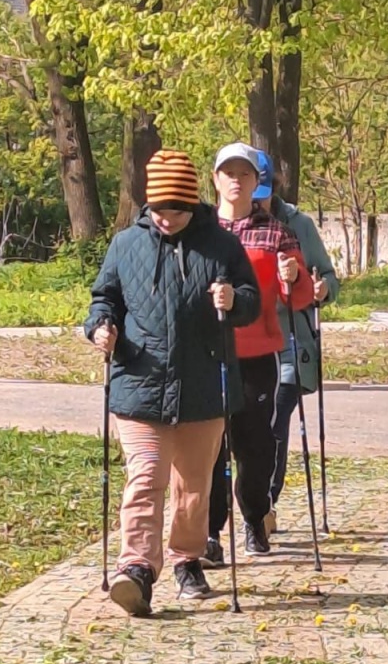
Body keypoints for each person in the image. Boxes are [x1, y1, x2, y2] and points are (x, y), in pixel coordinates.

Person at [85, 148, 260, 617]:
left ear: (191, 204)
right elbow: (104, 298)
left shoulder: (221, 245)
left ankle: (187, 560)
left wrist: (233, 298)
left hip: (204, 385)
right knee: (145, 478)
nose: (166, 218)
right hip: (139, 383)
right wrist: (101, 326)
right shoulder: (125, 245)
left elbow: (252, 301)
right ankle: (137, 569)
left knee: (193, 486)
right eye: (159, 209)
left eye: (176, 210)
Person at [203, 142, 314, 564]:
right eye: (228, 172)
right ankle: (210, 532)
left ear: (256, 182)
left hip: (257, 354)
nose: (236, 180)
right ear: (215, 179)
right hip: (209, 355)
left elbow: (299, 297)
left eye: (244, 174)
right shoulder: (201, 233)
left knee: (255, 446)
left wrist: (295, 274)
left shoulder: (275, 231)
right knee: (209, 447)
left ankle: (253, 516)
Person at [252, 151, 339, 529]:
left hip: (289, 340)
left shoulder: (298, 225)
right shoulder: (221, 226)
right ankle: (249, 502)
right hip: (244, 340)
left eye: (263, 193)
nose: (257, 203)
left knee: (274, 421)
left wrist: (320, 288)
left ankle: (265, 505)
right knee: (245, 428)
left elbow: (329, 277)